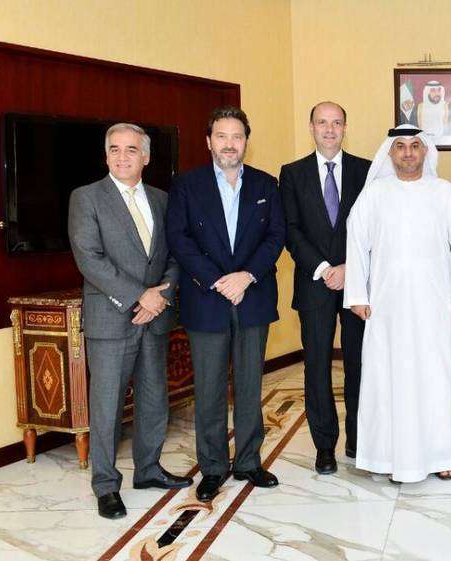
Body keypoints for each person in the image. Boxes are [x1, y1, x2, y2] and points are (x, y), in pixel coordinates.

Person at [343, 125, 451, 483]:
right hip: (386, 307)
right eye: (400, 146)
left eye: (414, 146)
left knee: (436, 378)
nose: (407, 152)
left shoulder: (444, 192)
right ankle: (389, 458)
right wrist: (357, 294)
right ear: (390, 152)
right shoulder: (375, 194)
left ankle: (441, 456)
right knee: (389, 380)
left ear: (425, 152)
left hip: (435, 305)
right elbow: (356, 241)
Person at [68, 123, 191, 519]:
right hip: (112, 318)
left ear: (146, 157)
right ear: (106, 156)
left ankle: (149, 469)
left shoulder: (161, 199)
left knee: (155, 400)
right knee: (106, 407)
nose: (123, 156)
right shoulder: (86, 198)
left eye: (132, 150)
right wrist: (140, 295)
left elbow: (176, 255)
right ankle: (105, 485)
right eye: (115, 149)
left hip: (154, 317)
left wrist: (162, 295)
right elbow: (90, 259)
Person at [166, 107, 285, 501]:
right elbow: (180, 240)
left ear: (246, 142)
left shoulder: (268, 185)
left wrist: (246, 276)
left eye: (236, 136)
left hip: (252, 298)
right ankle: (214, 467)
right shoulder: (187, 186)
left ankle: (249, 462)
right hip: (207, 300)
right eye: (221, 136)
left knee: (250, 385)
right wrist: (219, 280)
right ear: (209, 141)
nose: (229, 144)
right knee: (210, 389)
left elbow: (276, 237)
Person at [279, 101, 370, 474]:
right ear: (311, 127)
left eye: (336, 123)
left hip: (357, 284)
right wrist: (323, 268)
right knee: (316, 366)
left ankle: (359, 439)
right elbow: (290, 229)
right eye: (322, 123)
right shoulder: (292, 173)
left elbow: (373, 228)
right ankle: (325, 446)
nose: (329, 129)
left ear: (345, 127)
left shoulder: (367, 171)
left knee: (359, 365)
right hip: (315, 283)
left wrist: (350, 268)